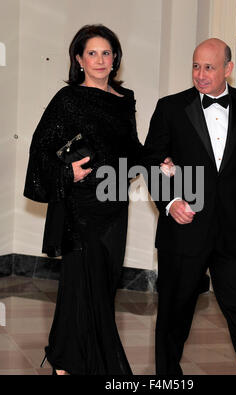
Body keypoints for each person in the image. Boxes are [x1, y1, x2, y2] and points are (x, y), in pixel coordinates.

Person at [24, 24, 159, 375]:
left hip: (115, 205)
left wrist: (157, 162)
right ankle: (93, 368)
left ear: (115, 59)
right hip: (81, 209)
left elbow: (131, 147)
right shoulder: (68, 100)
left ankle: (64, 360)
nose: (100, 59)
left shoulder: (123, 99)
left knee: (100, 288)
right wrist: (69, 174)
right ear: (79, 59)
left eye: (106, 52)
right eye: (92, 53)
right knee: (84, 289)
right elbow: (39, 152)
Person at [144, 38, 236, 375]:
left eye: (209, 67)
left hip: (233, 232)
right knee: (175, 314)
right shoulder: (170, 108)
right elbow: (150, 163)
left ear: (228, 69)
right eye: (196, 66)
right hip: (184, 231)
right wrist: (171, 201)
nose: (200, 74)